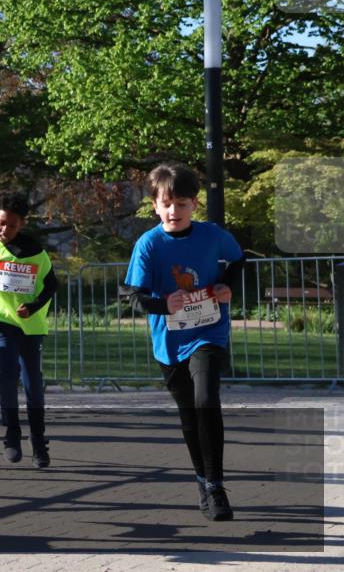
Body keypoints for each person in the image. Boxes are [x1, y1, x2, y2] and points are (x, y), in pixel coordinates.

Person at [123, 163, 245, 521]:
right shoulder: (148, 244)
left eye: (182, 204)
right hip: (170, 343)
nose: (174, 211)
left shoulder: (212, 235)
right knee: (189, 414)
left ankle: (217, 487)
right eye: (167, 204)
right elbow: (133, 296)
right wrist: (164, 304)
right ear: (155, 207)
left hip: (209, 333)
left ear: (195, 204)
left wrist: (226, 285)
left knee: (207, 400)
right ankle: (202, 480)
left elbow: (238, 261)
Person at [0, 192, 57, 468]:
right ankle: (11, 434)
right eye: (1, 223)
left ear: (22, 224)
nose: (4, 230)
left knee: (32, 382)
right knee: (7, 372)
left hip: (31, 325)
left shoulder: (36, 250)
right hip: (0, 321)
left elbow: (52, 285)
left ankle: (38, 440)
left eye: (12, 225)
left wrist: (33, 306)